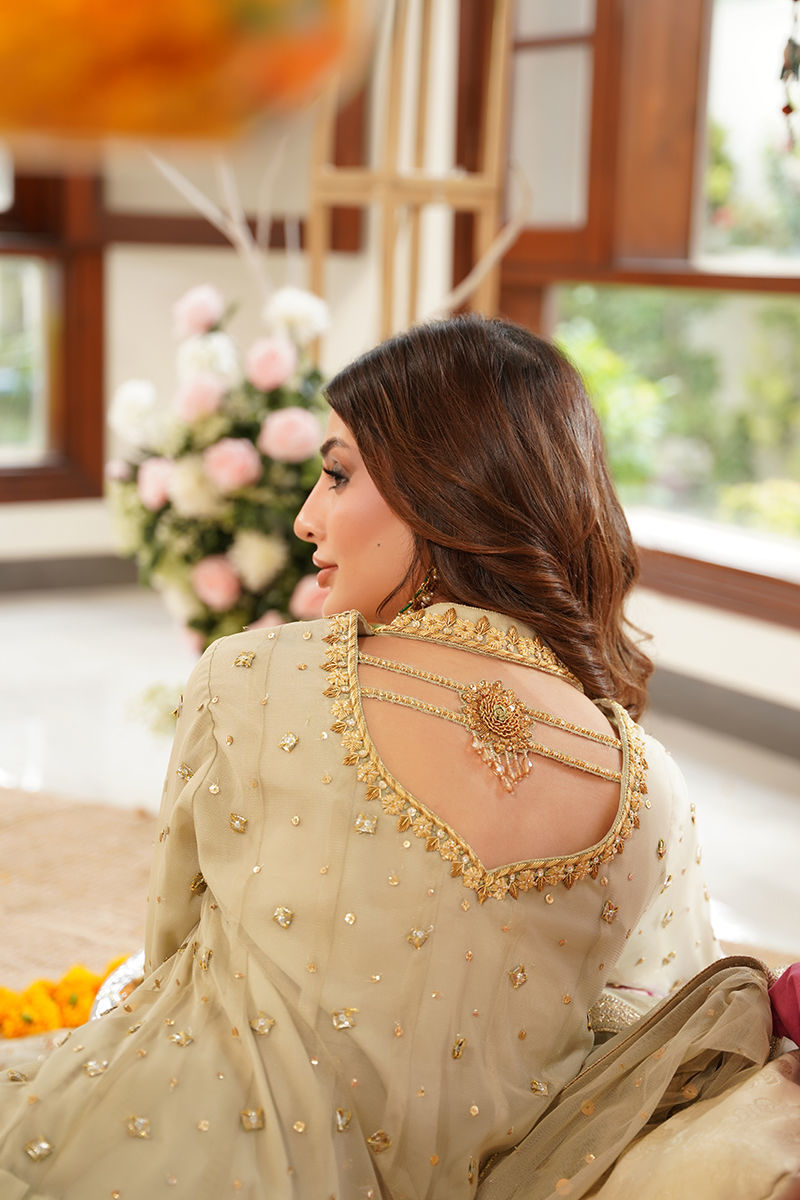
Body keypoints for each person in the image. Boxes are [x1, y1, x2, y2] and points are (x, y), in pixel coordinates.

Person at [0, 315, 796, 1199]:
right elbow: (640, 1046)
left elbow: (167, 966)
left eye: (337, 474)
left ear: (442, 490)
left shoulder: (253, 677)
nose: (306, 516)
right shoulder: (648, 783)